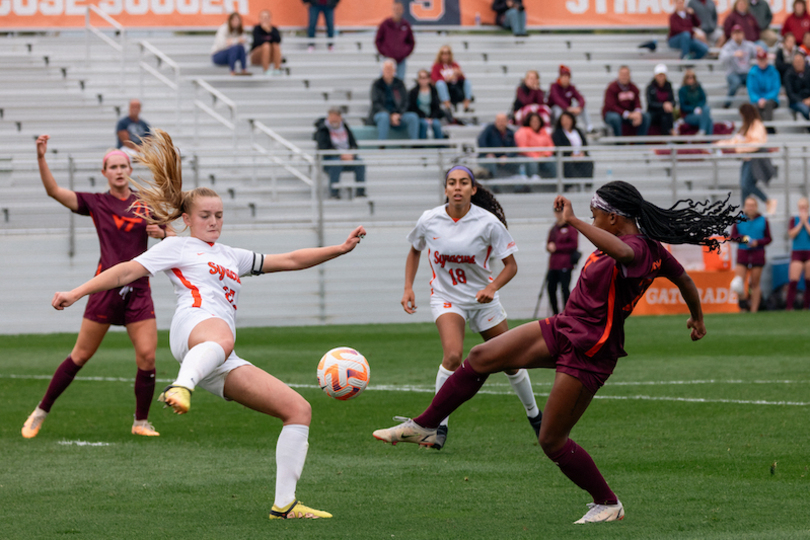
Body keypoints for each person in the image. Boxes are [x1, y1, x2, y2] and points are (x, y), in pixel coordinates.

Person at [372, 180, 740, 524]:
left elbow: (631, 254)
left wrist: (574, 220)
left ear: (613, 217)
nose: (592, 217)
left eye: (596, 213)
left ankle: (608, 503)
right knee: (483, 357)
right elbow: (685, 281)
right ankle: (424, 426)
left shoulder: (643, 250)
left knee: (551, 439)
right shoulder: (622, 241)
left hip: (591, 351)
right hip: (564, 327)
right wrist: (698, 318)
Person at [51, 129, 367, 521]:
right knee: (223, 332)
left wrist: (339, 248)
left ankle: (284, 504)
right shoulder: (178, 245)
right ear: (187, 219)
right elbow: (124, 271)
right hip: (194, 327)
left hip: (218, 355)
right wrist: (77, 291)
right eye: (205, 215)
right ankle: (180, 387)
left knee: (298, 409)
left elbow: (290, 260)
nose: (214, 221)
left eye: (219, 214)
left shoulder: (232, 255)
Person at [22, 135, 172, 440]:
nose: (118, 171)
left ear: (130, 170)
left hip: (139, 288)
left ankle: (141, 421)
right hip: (103, 289)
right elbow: (54, 191)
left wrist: (163, 233)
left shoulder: (145, 203)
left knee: (148, 357)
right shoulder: (96, 202)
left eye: (123, 166)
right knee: (80, 355)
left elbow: (169, 234)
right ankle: (40, 410)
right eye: (112, 166)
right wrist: (41, 157)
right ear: (104, 173)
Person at [397, 165, 542, 449]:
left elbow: (511, 267)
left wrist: (492, 287)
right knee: (452, 356)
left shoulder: (487, 223)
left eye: (464, 182)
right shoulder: (429, 219)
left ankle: (536, 417)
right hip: (446, 298)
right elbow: (415, 249)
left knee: (512, 362)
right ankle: (437, 428)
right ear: (446, 189)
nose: (457, 187)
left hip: (482, 300)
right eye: (452, 183)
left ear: (473, 190)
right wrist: (408, 287)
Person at [716, 103, 778, 213]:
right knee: (744, 186)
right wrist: (720, 143)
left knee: (746, 184)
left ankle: (768, 201)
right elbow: (735, 141)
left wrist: (739, 149)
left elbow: (756, 144)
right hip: (746, 160)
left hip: (754, 160)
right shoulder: (746, 126)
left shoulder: (757, 125)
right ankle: (744, 211)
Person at [313, 108, 366, 199]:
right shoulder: (322, 130)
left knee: (360, 163)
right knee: (335, 163)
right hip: (329, 159)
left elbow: (354, 144)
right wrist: (340, 155)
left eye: (336, 117)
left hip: (347, 157)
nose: (334, 119)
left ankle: (360, 192)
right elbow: (324, 148)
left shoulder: (345, 128)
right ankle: (334, 193)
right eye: (332, 117)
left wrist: (351, 154)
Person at [730, 197, 771, 312]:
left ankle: (754, 309)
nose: (751, 208)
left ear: (756, 207)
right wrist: (743, 239)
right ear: (745, 207)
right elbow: (732, 237)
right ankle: (743, 306)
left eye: (753, 205)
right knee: (738, 282)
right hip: (743, 253)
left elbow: (768, 238)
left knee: (754, 283)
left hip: (757, 254)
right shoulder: (739, 220)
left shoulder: (763, 220)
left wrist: (758, 242)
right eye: (748, 205)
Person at [369, 59, 420, 141]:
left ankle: (413, 145)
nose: (388, 71)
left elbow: (405, 102)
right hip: (382, 113)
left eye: (390, 69)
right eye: (386, 69)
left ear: (394, 70)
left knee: (413, 117)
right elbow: (376, 103)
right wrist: (390, 115)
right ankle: (382, 146)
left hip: (398, 114)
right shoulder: (377, 84)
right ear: (382, 70)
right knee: (384, 117)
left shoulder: (399, 84)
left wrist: (398, 114)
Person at [545, 207, 578, 315]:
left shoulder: (571, 228)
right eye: (557, 212)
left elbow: (574, 245)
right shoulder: (554, 228)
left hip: (565, 264)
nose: (558, 214)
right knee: (551, 289)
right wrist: (549, 247)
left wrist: (557, 247)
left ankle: (566, 312)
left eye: (560, 212)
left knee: (564, 289)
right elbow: (549, 243)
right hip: (553, 265)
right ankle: (555, 313)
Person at [602, 66, 650, 137]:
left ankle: (639, 143)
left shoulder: (633, 87)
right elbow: (612, 106)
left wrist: (637, 113)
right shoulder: (611, 88)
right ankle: (619, 143)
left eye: (626, 75)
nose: (624, 77)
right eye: (622, 75)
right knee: (615, 118)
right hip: (613, 113)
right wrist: (628, 114)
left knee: (646, 117)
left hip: (629, 114)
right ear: (619, 75)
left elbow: (637, 103)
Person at [719, 25, 758, 108]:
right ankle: (727, 103)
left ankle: (756, 103)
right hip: (733, 72)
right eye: (735, 33)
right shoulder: (728, 46)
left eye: (739, 33)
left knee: (755, 80)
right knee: (735, 83)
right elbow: (721, 58)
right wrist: (733, 54)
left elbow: (757, 54)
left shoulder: (749, 45)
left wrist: (762, 52)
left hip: (746, 72)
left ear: (743, 34)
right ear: (732, 35)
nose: (737, 36)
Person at [375, 1, 414, 81]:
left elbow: (411, 41)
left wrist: (404, 52)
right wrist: (385, 52)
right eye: (395, 9)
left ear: (402, 10)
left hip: (401, 60)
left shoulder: (405, 25)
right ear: (392, 9)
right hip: (387, 59)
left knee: (400, 82)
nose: (397, 11)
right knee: (384, 81)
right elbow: (378, 40)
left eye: (399, 9)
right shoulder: (385, 24)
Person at [548, 65, 593, 133]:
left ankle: (589, 128)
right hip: (556, 109)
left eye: (567, 77)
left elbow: (580, 98)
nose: (565, 79)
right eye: (564, 77)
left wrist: (579, 107)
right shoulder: (554, 86)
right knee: (558, 110)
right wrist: (568, 108)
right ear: (560, 77)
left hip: (567, 109)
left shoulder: (571, 88)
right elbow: (556, 99)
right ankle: (560, 129)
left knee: (583, 109)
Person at [551, 111, 594, 180]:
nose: (566, 122)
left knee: (588, 162)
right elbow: (558, 145)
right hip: (567, 157)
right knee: (568, 164)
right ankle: (570, 185)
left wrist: (582, 152)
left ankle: (586, 184)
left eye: (568, 119)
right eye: (564, 120)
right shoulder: (557, 133)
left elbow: (584, 143)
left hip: (580, 155)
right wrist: (570, 154)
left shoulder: (578, 131)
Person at [430, 45, 473, 113]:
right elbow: (434, 78)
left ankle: (466, 105)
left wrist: (459, 74)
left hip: (455, 88)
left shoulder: (454, 64)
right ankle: (447, 106)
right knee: (440, 83)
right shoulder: (436, 66)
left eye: (447, 53)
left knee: (468, 82)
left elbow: (463, 79)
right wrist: (446, 79)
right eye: (443, 53)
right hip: (445, 88)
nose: (445, 56)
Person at [514, 112, 556, 178]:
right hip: (529, 157)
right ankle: (533, 181)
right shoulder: (523, 131)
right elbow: (522, 147)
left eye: (537, 121)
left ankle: (559, 182)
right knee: (532, 161)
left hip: (543, 158)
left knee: (553, 160)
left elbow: (550, 146)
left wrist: (545, 155)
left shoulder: (543, 131)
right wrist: (536, 156)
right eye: (533, 121)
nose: (535, 123)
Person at [477, 113, 519, 179]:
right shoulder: (489, 129)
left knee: (520, 160)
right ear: (495, 122)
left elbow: (514, 148)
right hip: (488, 157)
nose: (501, 123)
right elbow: (481, 141)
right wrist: (488, 153)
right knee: (491, 162)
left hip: (503, 158)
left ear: (507, 122)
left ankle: (520, 186)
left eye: (503, 121)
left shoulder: (510, 132)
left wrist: (507, 157)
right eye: (499, 121)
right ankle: (495, 187)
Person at [785, 198, 810, 310]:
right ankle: (789, 307)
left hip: (808, 251)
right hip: (797, 252)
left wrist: (806, 223)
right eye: (801, 207)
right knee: (793, 280)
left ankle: (806, 306)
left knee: (808, 281)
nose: (803, 209)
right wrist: (801, 223)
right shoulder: (793, 220)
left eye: (804, 207)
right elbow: (791, 234)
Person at [748, 49, 781, 128]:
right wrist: (758, 99)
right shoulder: (752, 73)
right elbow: (751, 90)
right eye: (760, 60)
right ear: (757, 60)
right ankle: (758, 128)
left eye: (763, 60)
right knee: (755, 107)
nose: (762, 62)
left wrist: (765, 99)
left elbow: (775, 89)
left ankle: (768, 128)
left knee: (768, 104)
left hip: (771, 99)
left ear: (767, 60)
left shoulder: (774, 72)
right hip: (757, 100)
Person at [408, 69, 445, 140]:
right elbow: (413, 107)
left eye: (425, 78)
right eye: (421, 78)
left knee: (436, 124)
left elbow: (436, 107)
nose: (423, 80)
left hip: (432, 117)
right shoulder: (413, 92)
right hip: (420, 117)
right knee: (424, 124)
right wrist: (424, 117)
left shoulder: (434, 91)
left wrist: (431, 117)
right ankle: (422, 146)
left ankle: (441, 146)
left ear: (428, 79)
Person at [679, 69, 714, 135]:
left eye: (692, 77)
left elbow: (703, 99)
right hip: (688, 114)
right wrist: (694, 109)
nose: (690, 79)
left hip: (699, 111)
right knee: (708, 119)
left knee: (706, 109)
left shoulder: (698, 87)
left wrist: (699, 108)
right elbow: (683, 106)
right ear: (685, 79)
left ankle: (704, 134)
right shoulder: (682, 90)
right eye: (688, 77)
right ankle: (704, 134)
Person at [646, 64, 676, 136]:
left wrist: (669, 104)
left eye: (662, 75)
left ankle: (668, 135)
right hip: (654, 112)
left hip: (666, 112)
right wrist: (663, 105)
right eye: (659, 75)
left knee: (665, 115)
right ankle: (670, 131)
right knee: (665, 114)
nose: (661, 78)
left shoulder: (669, 86)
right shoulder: (650, 87)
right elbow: (650, 103)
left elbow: (673, 101)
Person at [250, 10, 283, 76]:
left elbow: (278, 40)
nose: (265, 19)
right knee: (266, 45)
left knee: (275, 46)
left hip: (269, 56)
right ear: (260, 19)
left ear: (270, 19)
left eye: (267, 17)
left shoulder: (274, 29)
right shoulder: (257, 28)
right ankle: (266, 70)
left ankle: (277, 69)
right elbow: (257, 42)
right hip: (257, 56)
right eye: (263, 17)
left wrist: (269, 31)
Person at [785, 52, 810, 120]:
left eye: (800, 61)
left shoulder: (808, 72)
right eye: (797, 62)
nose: (799, 64)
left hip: (808, 99)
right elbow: (790, 94)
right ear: (793, 63)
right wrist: (803, 101)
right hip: (796, 102)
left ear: (804, 62)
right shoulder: (789, 75)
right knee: (804, 109)